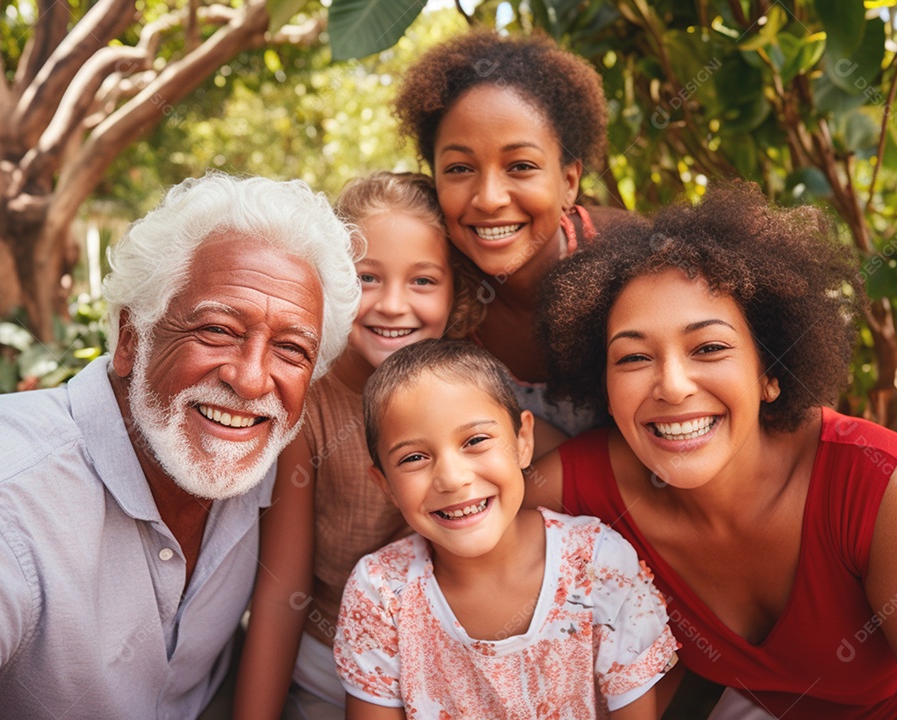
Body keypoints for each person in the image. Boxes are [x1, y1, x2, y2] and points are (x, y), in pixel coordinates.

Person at [0, 172, 360, 719]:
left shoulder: (261, 470)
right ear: (132, 339)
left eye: (291, 350)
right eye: (218, 330)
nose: (251, 380)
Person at [527, 182, 897, 718]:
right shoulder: (590, 483)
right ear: (606, 391)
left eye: (708, 348)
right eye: (634, 358)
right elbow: (464, 508)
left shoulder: (878, 492)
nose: (673, 385)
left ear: (769, 373)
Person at [235, 171, 516, 720]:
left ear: (456, 289)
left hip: (452, 661)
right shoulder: (308, 400)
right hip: (328, 658)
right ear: (335, 282)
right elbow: (282, 588)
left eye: (423, 281)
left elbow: (553, 458)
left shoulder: (467, 384)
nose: (393, 305)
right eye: (368, 278)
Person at [334, 339, 679, 719]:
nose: (452, 478)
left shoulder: (599, 564)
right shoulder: (380, 591)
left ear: (523, 442)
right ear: (385, 486)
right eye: (414, 458)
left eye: (476, 441)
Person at [394, 30, 639, 437]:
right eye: (459, 169)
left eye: (521, 166)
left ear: (568, 181)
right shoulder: (426, 294)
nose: (489, 199)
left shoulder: (634, 261)